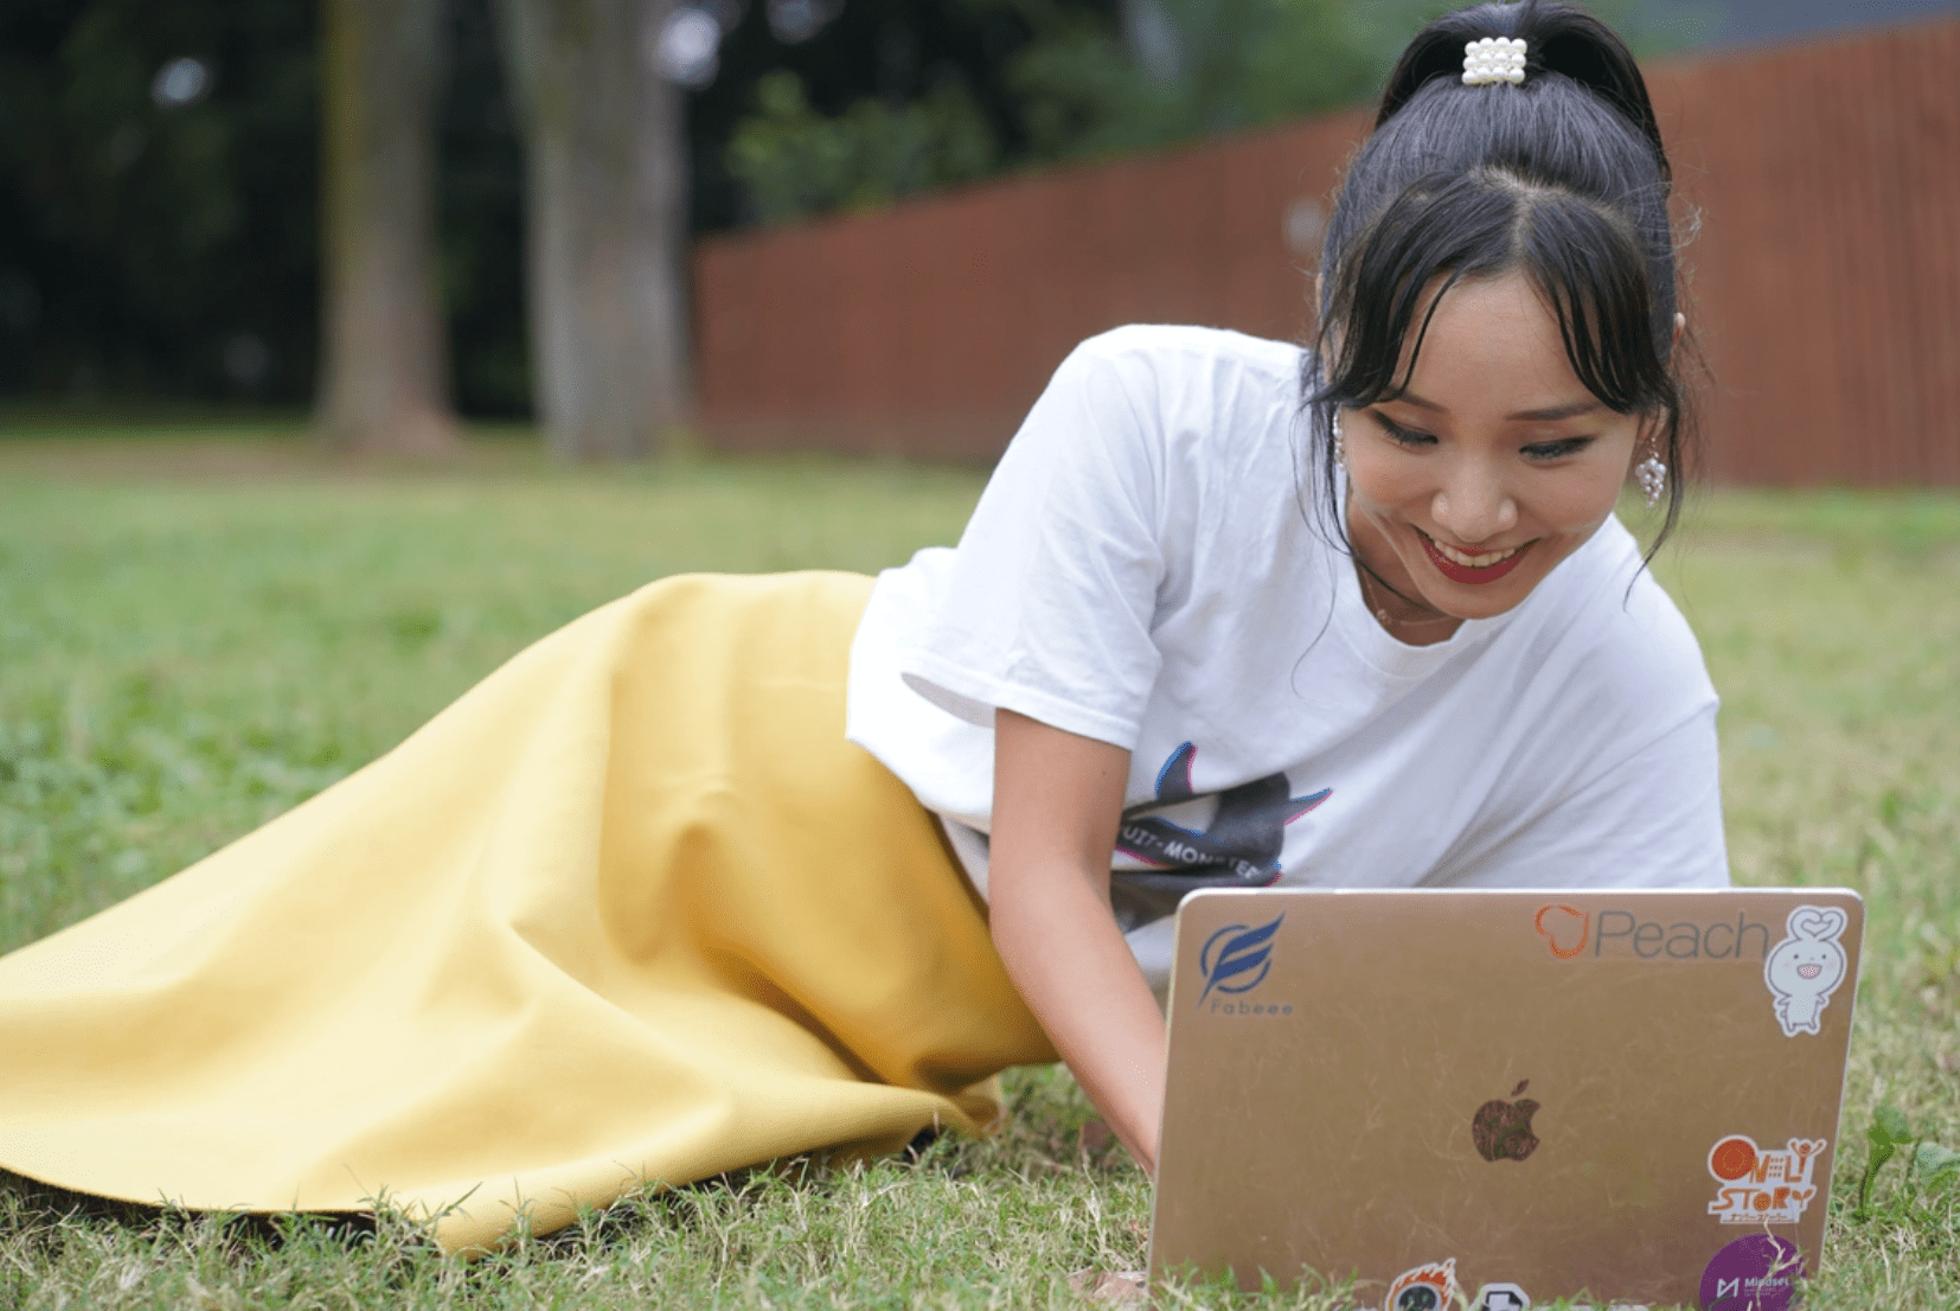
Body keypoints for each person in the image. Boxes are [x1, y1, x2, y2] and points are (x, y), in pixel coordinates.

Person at [0, 0, 1724, 1260]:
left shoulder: (1625, 679)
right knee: (265, 1033)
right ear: (1324, 362)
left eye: (1553, 447)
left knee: (542, 1133)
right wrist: (1234, 1201)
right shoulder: (1151, 413)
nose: (1474, 511)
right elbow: (1044, 875)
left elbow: (1645, 1066)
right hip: (708, 771)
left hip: (887, 1016)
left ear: (1648, 415)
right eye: (1403, 429)